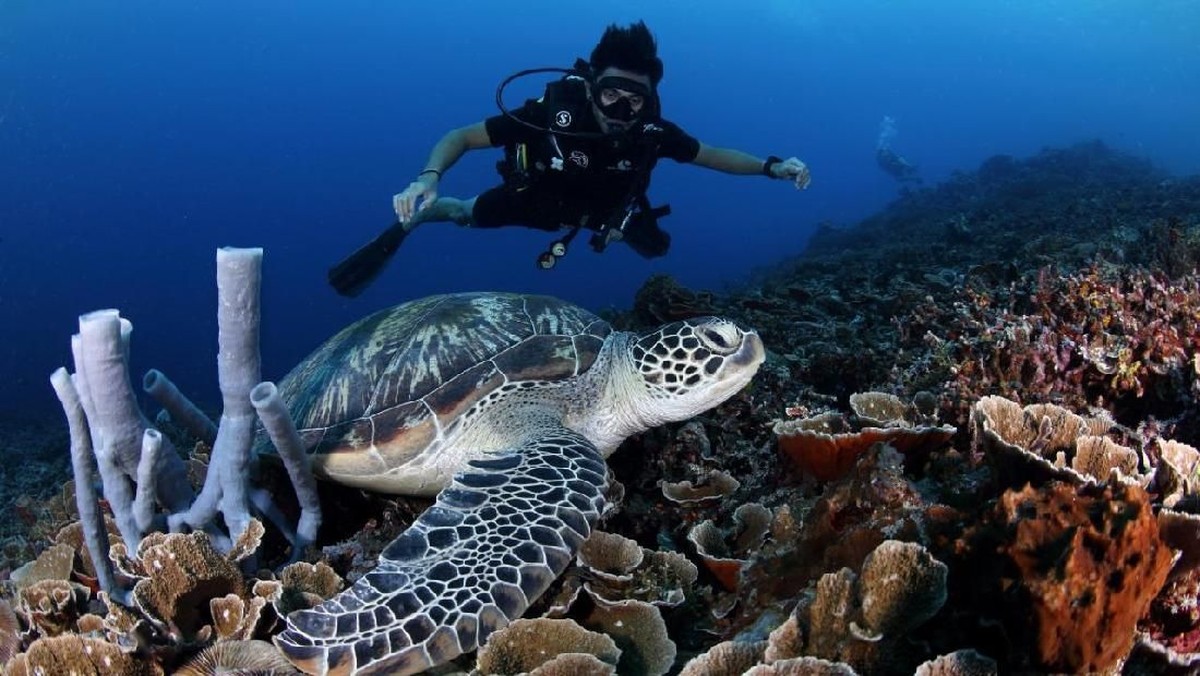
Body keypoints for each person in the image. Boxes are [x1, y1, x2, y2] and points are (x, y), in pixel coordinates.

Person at [328, 21, 811, 297]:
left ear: (651, 100)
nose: (621, 111)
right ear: (590, 87)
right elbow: (461, 136)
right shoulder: (550, 114)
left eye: (634, 100)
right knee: (461, 214)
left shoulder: (651, 133)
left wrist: (771, 167)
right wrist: (427, 178)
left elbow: (712, 155)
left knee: (654, 247)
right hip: (537, 199)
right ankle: (418, 218)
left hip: (605, 212)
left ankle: (619, 228)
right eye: (611, 95)